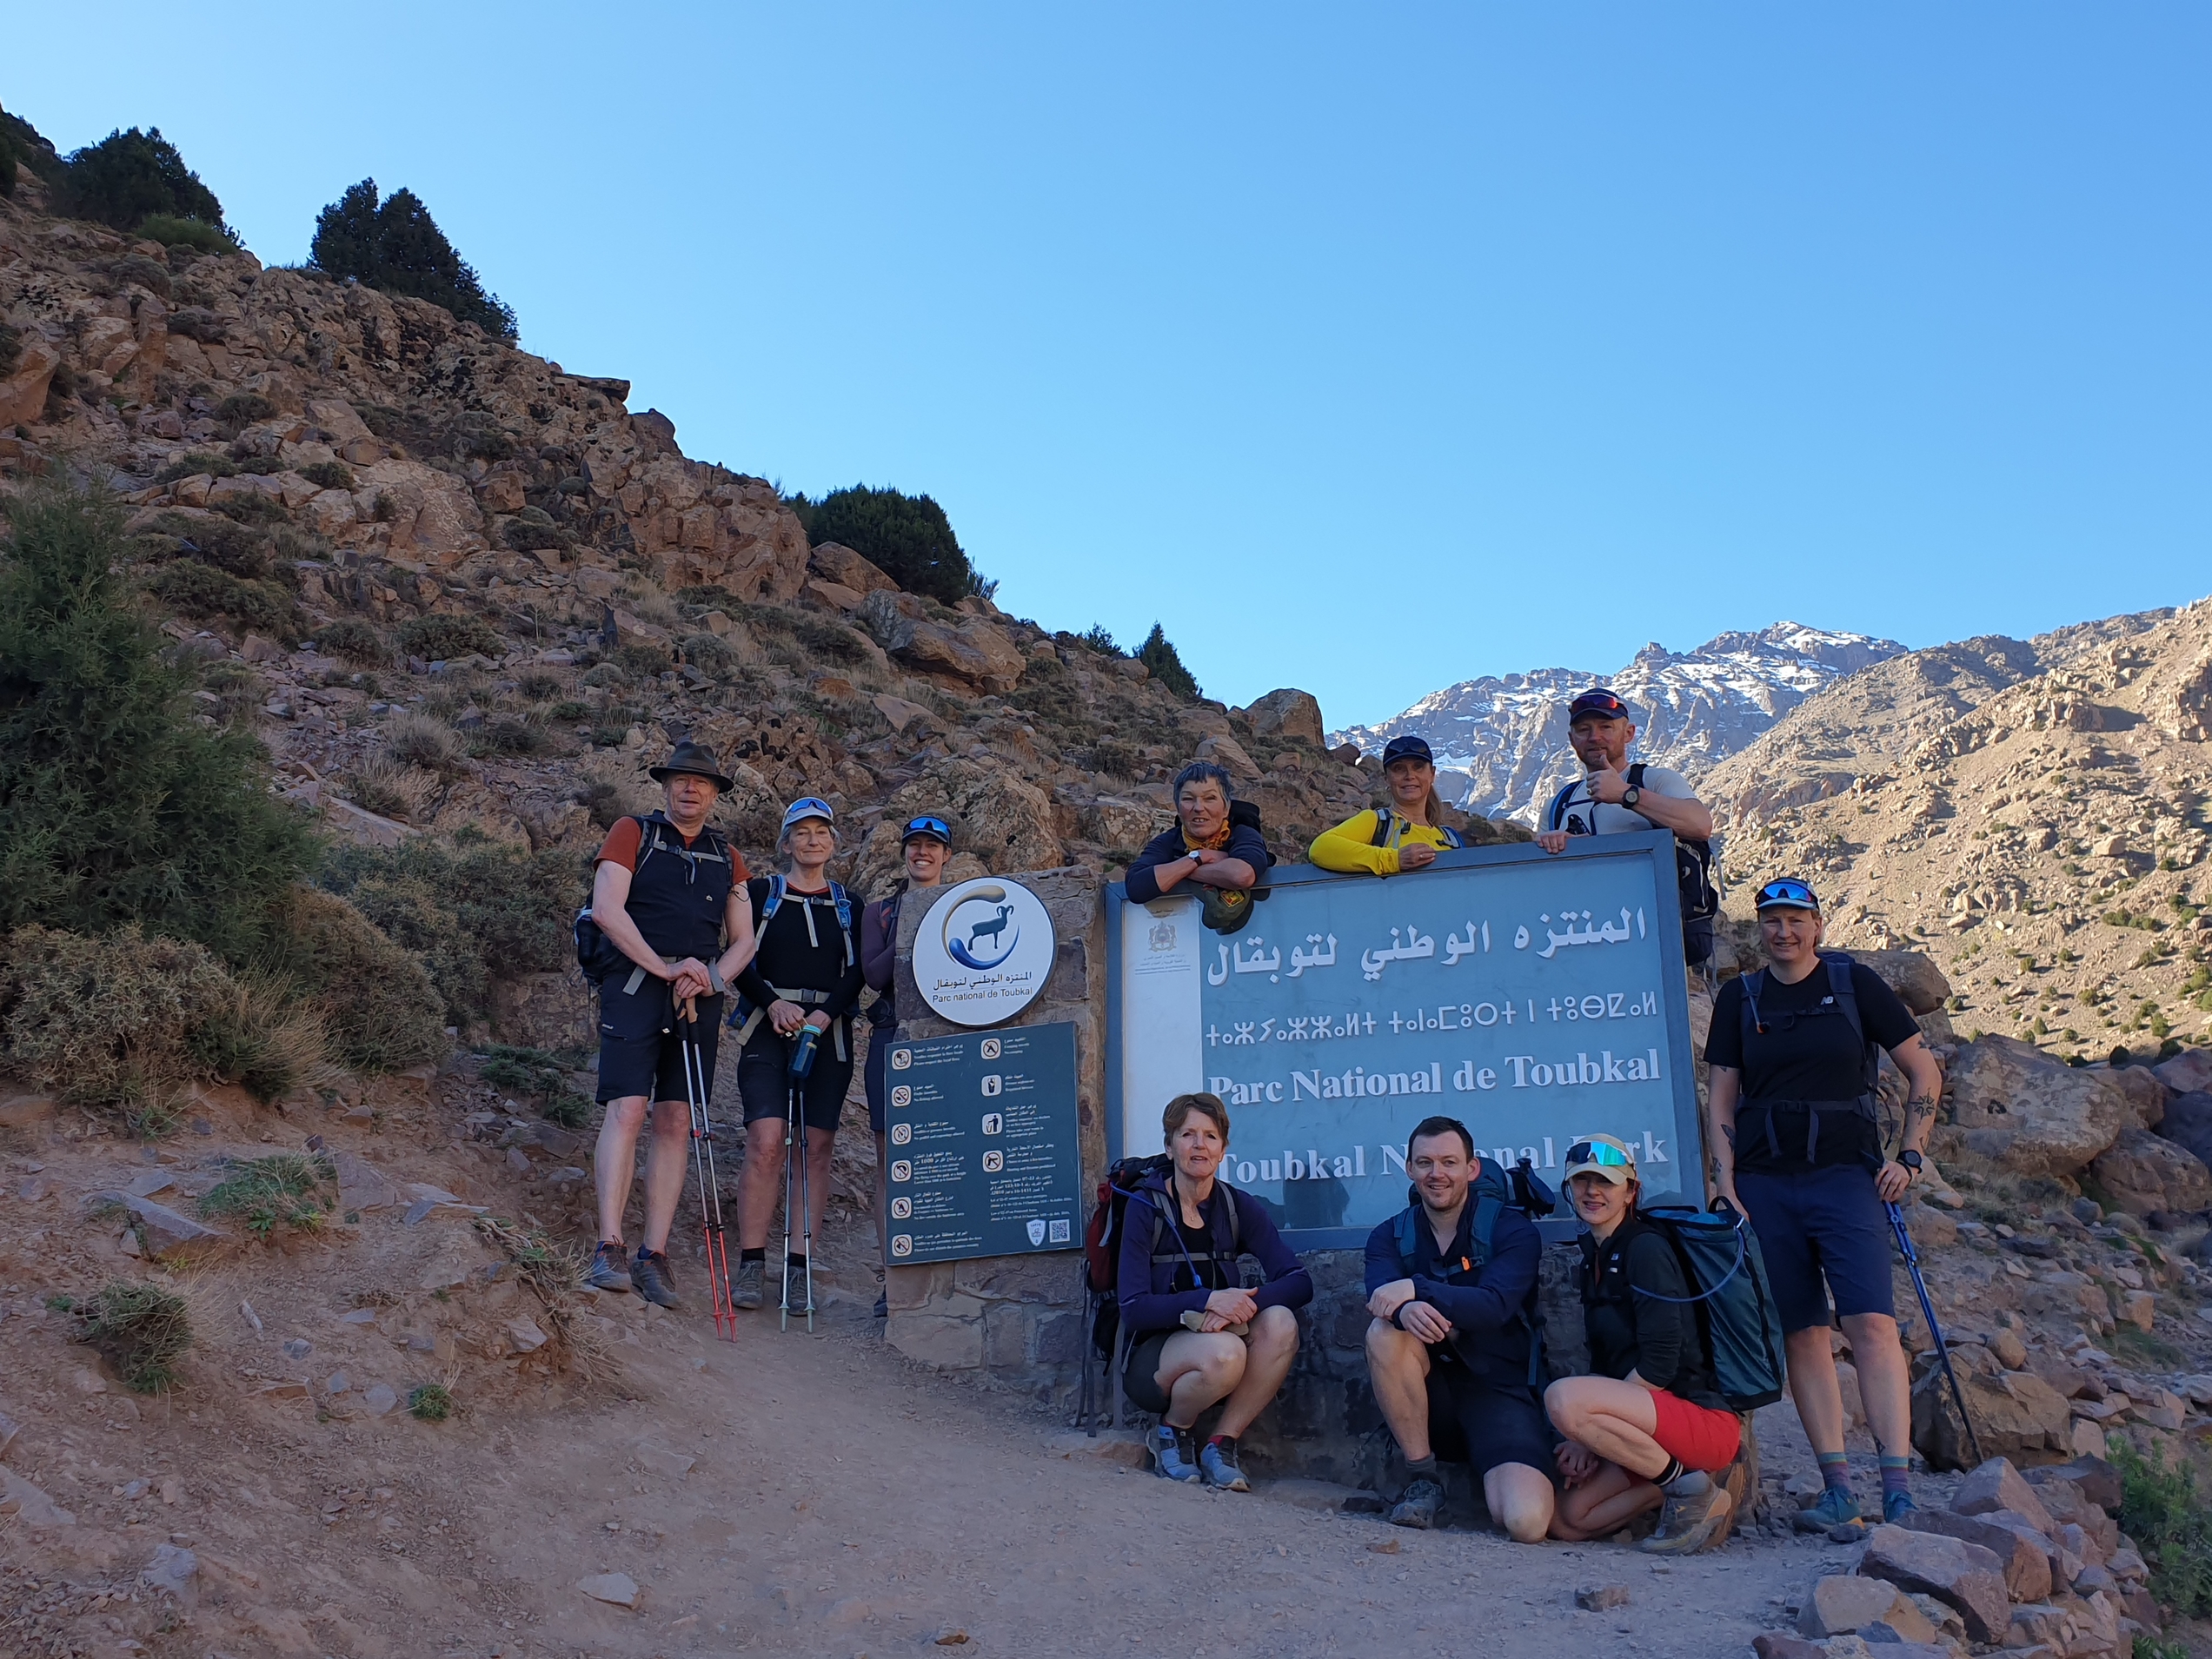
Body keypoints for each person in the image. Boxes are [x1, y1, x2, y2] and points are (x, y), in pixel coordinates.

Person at [1705, 876, 1946, 1528]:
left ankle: (1895, 1489)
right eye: (1770, 920)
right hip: (1764, 1184)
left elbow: (1923, 1068)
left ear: (1816, 924)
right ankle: (1837, 1488)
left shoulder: (1854, 984)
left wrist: (1909, 1156)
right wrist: (1725, 1185)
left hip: (1846, 1179)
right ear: (1758, 928)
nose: (1783, 932)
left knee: (1870, 1324)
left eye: (1795, 919)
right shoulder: (1740, 996)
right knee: (1802, 1332)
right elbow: (1722, 1096)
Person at [586, 740, 758, 1306]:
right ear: (665, 785)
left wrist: (710, 977)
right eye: (681, 778)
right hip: (636, 986)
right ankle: (608, 1243)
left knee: (675, 1118)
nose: (690, 788)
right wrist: (663, 966)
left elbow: (744, 938)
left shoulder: (728, 856)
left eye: (702, 781)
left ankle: (652, 1253)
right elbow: (608, 910)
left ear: (714, 793)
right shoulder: (630, 833)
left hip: (694, 998)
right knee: (628, 1108)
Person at [1545, 1134, 1740, 1553]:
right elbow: (1606, 1363)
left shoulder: (1646, 1248)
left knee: (1563, 1399)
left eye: (1606, 1182)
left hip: (1699, 1419)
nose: (1592, 1192)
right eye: (1581, 1182)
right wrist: (1591, 1434)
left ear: (1631, 1191)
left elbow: (1659, 1365)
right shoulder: (1593, 1258)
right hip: (1647, 1429)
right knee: (1570, 1519)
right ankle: (1705, 1480)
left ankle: (1689, 1490)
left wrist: (1583, 1430)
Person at [1364, 1117, 1554, 1542]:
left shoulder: (1511, 1230)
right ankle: (1423, 1478)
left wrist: (1417, 1289)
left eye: (1449, 1162)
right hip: (1430, 1397)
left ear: (1472, 1168)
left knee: (1527, 1522)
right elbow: (1380, 1296)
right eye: (1425, 1163)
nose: (1437, 1174)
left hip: (1498, 1392)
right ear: (1409, 1169)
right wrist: (1402, 1312)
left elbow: (1495, 1305)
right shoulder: (1389, 1235)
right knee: (1383, 1333)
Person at [1117, 1092, 1312, 1490]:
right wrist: (1207, 1300)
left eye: (1210, 1136)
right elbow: (1133, 1309)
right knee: (1226, 1353)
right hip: (1153, 1361)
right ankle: (1173, 1430)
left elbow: (1298, 1280)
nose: (1199, 1145)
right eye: (1187, 1134)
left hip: (1221, 1342)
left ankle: (1221, 1443)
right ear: (1170, 1146)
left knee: (1281, 1323)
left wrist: (1240, 1304)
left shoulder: (1238, 1207)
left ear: (1223, 1149)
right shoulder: (1144, 1207)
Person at [729, 797, 865, 1313]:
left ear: (833, 842)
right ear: (785, 842)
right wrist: (773, 1002)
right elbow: (738, 957)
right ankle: (751, 1263)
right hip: (769, 1027)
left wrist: (827, 1013)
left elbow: (858, 971)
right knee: (766, 1141)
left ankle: (799, 1267)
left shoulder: (849, 903)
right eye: (801, 832)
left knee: (817, 1146)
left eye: (821, 832)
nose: (812, 841)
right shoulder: (759, 893)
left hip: (826, 1034)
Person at [1534, 688, 1718, 963]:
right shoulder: (1558, 804)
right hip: (1581, 946)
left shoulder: (1655, 781)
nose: (1595, 737)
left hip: (1656, 941)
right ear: (1572, 740)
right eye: (1584, 729)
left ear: (1629, 733)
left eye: (1606, 727)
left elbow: (1700, 825)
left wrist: (1626, 794)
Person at [860, 813, 952, 1318]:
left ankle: (940, 1266)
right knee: (887, 1152)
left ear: (946, 856)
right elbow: (874, 975)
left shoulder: (961, 908)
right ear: (904, 853)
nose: (923, 853)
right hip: (890, 1034)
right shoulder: (878, 913)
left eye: (932, 847)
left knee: (942, 1151)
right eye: (914, 845)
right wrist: (916, 924)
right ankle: (893, 1275)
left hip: (943, 1041)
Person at [1123, 761, 1266, 930]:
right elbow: (1136, 887)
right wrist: (1200, 857)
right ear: (1178, 807)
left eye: (1210, 798)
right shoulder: (1168, 841)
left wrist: (1176, 871)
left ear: (1226, 808)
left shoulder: (1243, 834)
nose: (1199, 808)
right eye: (1188, 799)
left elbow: (1241, 875)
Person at [1310, 734, 1468, 875]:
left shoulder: (1451, 838)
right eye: (1399, 769)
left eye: (1418, 767)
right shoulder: (1377, 822)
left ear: (1432, 774)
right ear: (1387, 778)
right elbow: (1321, 848)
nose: (1409, 775)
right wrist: (1394, 860)